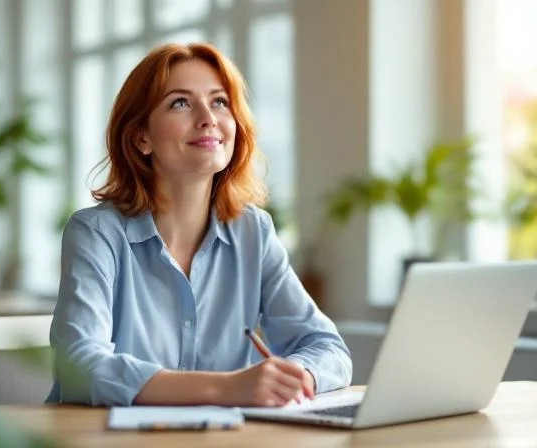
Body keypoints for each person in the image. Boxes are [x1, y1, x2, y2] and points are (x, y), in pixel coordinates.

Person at [46, 42, 352, 407]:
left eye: (220, 101)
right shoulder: (96, 234)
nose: (208, 117)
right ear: (141, 137)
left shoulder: (254, 232)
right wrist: (226, 388)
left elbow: (327, 348)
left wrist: (295, 376)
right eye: (180, 102)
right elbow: (79, 368)